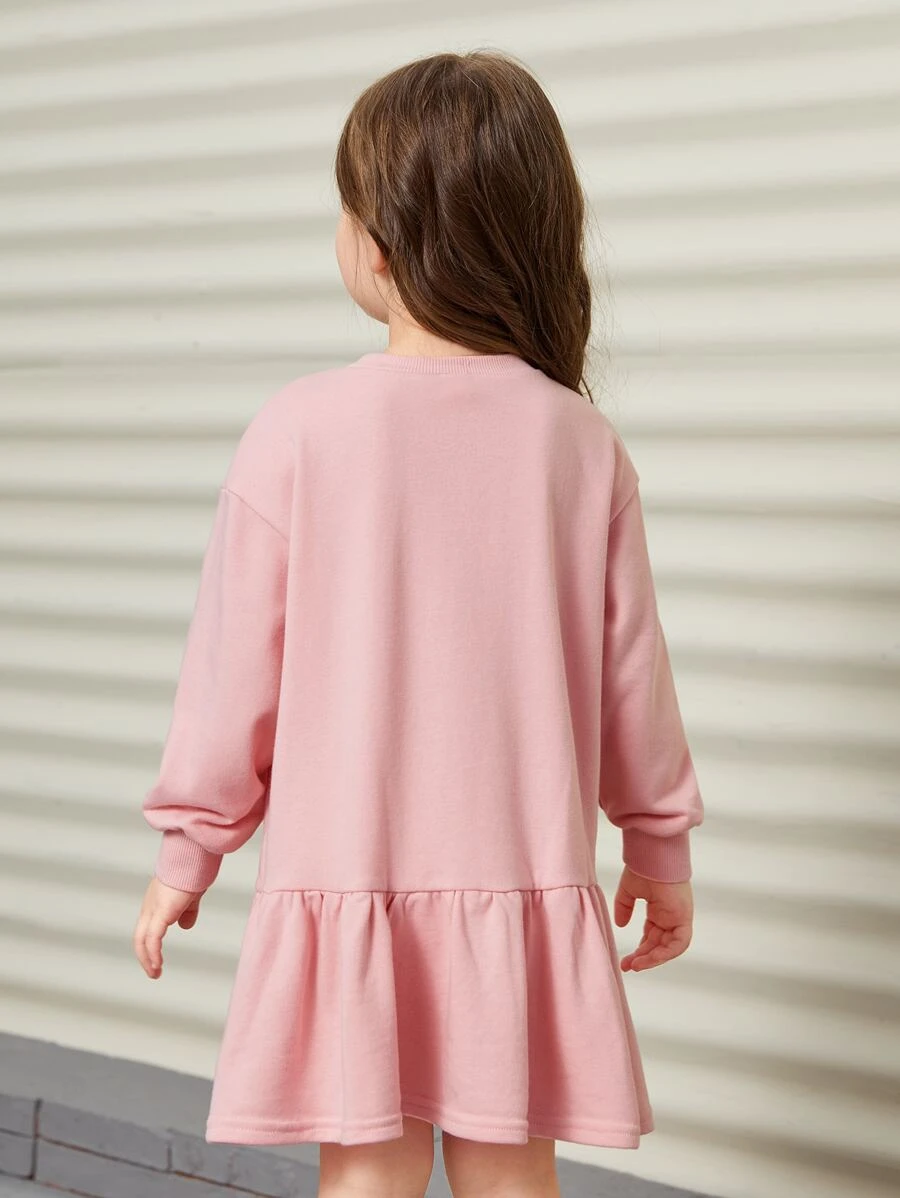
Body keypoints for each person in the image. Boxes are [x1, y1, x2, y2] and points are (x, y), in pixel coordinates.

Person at [133, 49, 704, 1198]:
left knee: (367, 1173)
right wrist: (660, 848)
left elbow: (234, 675)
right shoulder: (578, 444)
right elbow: (632, 684)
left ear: (379, 241)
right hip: (520, 891)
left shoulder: (298, 432)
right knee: (513, 1173)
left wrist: (188, 851)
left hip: (355, 880)